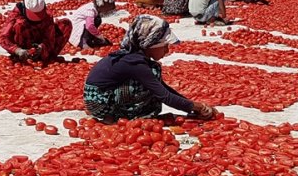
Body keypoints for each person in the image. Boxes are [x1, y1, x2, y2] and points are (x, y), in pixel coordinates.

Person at [84, 15, 216, 123]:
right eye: (164, 46)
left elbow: (163, 88)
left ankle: (113, 113)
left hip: (96, 99)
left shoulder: (132, 56)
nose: (167, 50)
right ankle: (116, 116)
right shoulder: (135, 63)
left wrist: (190, 105)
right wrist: (195, 107)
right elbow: (164, 95)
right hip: (99, 103)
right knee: (150, 81)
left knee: (152, 78)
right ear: (149, 45)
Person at [1, 0, 72, 64]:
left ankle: (46, 58)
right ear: (25, 7)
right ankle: (21, 57)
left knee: (66, 24)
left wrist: (41, 48)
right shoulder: (16, 14)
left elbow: (50, 39)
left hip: (40, 45)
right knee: (19, 24)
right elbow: (3, 37)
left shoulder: (47, 15)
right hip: (21, 46)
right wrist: (17, 50)